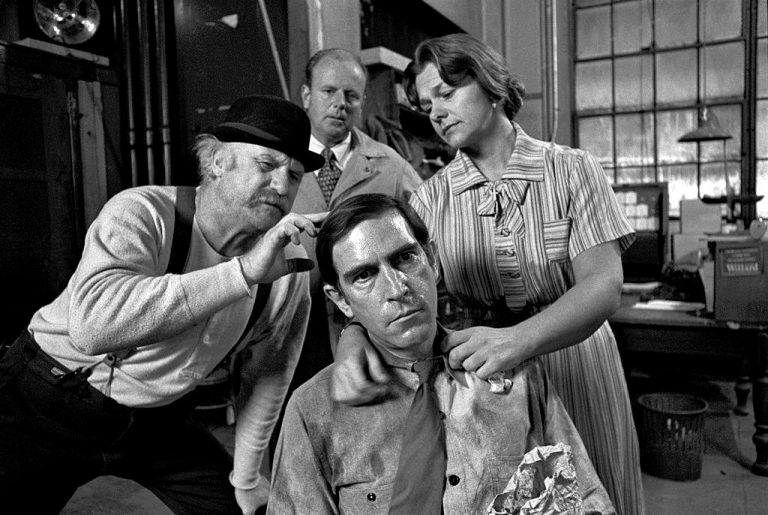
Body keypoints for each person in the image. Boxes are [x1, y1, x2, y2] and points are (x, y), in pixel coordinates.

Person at [331, 34, 645, 515]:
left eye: (447, 93)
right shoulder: (431, 198)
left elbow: (604, 287)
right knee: (507, 500)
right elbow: (398, 284)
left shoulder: (571, 170)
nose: (436, 113)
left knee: (589, 495)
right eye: (426, 104)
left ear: (491, 84)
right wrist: (354, 336)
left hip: (575, 359)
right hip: (485, 379)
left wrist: (517, 340)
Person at [0, 95, 325, 514]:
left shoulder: (287, 269)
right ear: (217, 162)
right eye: (266, 165)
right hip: (49, 396)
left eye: (294, 175)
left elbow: (267, 375)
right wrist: (242, 272)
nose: (282, 186)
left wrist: (246, 479)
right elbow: (92, 329)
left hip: (158, 419)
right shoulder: (142, 212)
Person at [267, 193, 614, 514]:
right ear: (341, 300)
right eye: (365, 275)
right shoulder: (313, 410)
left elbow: (586, 502)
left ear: (431, 260)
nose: (397, 288)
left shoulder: (515, 376)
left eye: (405, 258)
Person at [289, 48, 422, 386]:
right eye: (328, 91)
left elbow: (426, 240)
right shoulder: (277, 163)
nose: (340, 104)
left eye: (351, 95)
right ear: (306, 95)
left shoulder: (391, 166)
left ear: (362, 102)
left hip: (369, 333)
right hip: (288, 329)